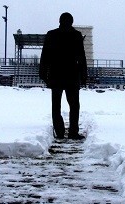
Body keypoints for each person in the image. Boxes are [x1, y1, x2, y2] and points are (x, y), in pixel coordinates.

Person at [39, 12, 87, 140]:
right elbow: (81, 57)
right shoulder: (76, 35)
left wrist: (43, 73)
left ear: (59, 21)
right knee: (74, 105)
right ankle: (73, 132)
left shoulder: (52, 34)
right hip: (72, 75)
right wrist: (83, 75)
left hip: (56, 75)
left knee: (56, 105)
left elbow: (45, 56)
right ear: (71, 22)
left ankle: (60, 132)